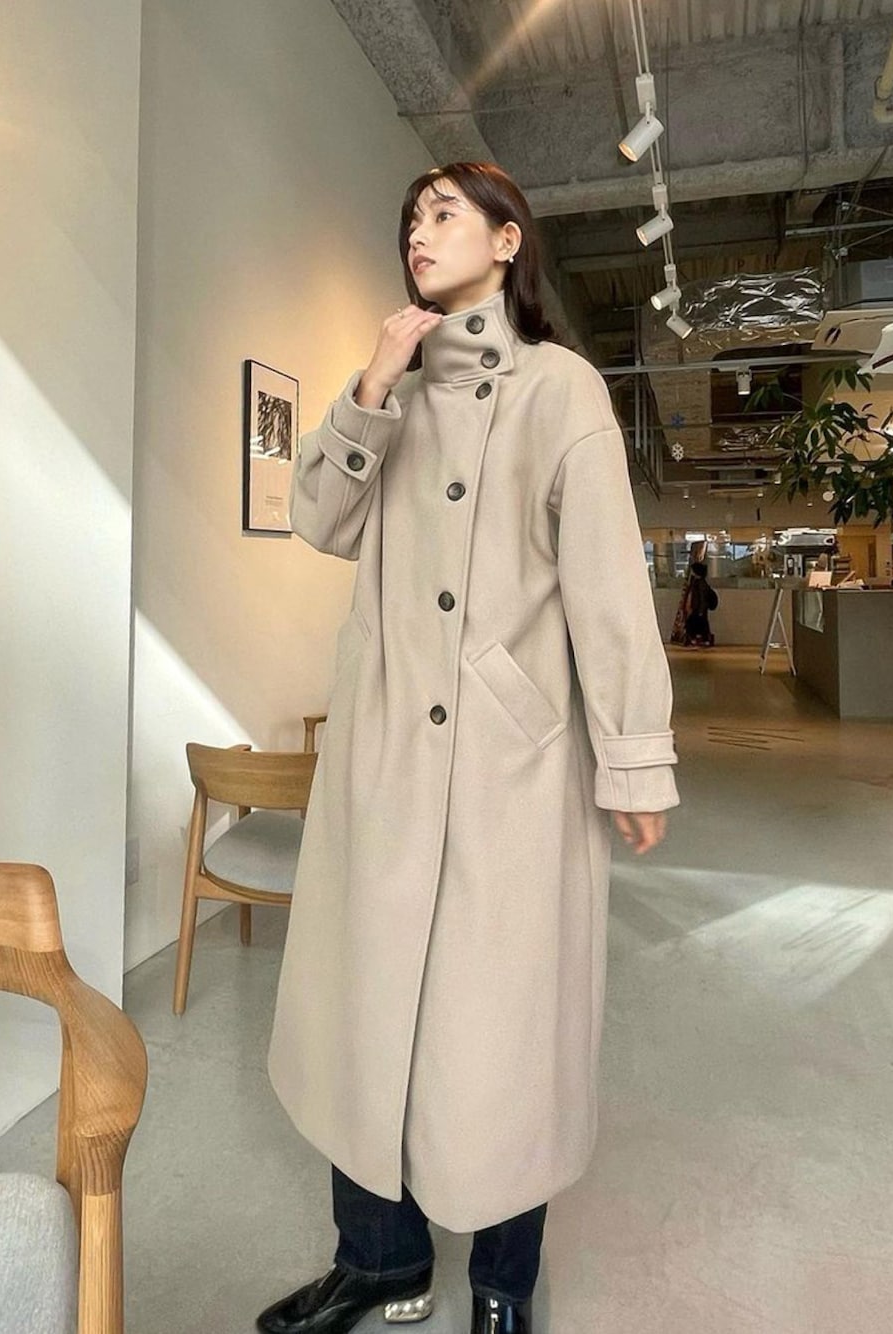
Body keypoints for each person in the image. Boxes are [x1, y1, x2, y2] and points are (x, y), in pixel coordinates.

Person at [256, 162, 680, 1334]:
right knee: (364, 1014)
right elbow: (318, 520)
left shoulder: (560, 387)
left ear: (505, 240)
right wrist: (368, 388)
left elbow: (607, 586)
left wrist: (632, 752)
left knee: (504, 1035)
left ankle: (503, 1280)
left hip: (510, 765)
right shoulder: (388, 392)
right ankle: (379, 1258)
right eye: (409, 218)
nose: (417, 231)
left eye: (442, 212)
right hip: (386, 754)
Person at [683, 560, 718, 646]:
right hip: (698, 608)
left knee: (694, 623)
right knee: (701, 624)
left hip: (697, 608)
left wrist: (700, 610)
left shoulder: (699, 583)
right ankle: (702, 639)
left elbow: (701, 597)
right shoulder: (699, 582)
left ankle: (697, 639)